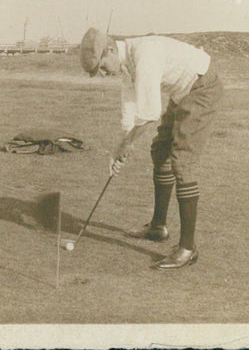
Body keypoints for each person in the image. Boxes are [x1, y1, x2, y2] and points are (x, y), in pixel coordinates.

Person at [79, 27, 223, 269]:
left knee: (182, 162)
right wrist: (118, 150)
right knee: (160, 151)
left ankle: (188, 248)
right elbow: (130, 109)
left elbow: (149, 114)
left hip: (202, 89)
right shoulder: (127, 64)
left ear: (111, 50)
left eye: (103, 67)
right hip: (182, 93)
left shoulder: (144, 55)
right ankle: (158, 227)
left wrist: (127, 145)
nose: (104, 74)